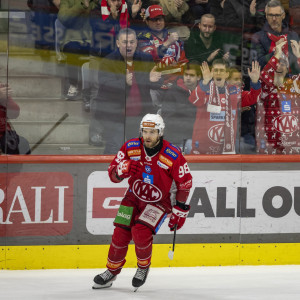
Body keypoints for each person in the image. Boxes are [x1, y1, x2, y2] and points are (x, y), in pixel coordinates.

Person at [92, 113, 193, 290]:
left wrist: (180, 210)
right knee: (120, 233)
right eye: (145, 131)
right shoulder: (130, 147)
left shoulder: (172, 154)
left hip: (159, 202)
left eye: (152, 132)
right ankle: (112, 271)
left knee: (140, 231)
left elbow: (185, 182)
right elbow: (112, 175)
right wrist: (123, 169)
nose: (147, 135)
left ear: (160, 132)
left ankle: (143, 268)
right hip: (133, 196)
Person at [94, 28, 162, 154]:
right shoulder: (108, 61)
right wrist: (124, 82)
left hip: (139, 113)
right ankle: (110, 172)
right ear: (118, 43)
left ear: (136, 43)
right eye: (125, 42)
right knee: (115, 147)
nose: (129, 45)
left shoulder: (146, 58)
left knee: (137, 151)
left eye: (131, 42)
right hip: (115, 114)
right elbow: (105, 84)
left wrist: (152, 80)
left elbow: (157, 82)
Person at [189, 59, 261, 154]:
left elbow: (252, 98)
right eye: (215, 70)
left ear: (226, 74)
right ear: (211, 73)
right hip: (202, 148)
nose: (218, 73)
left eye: (221, 71)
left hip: (224, 148)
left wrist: (255, 83)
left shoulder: (234, 91)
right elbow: (194, 100)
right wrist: (205, 82)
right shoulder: (203, 88)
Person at [137, 5, 188, 110]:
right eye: (154, 20)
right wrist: (167, 43)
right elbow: (150, 58)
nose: (158, 22)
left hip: (174, 87)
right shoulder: (143, 38)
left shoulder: (173, 36)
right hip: (154, 88)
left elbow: (183, 61)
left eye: (160, 19)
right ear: (147, 21)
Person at [256, 39, 300, 154]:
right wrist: (277, 53)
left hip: (292, 142)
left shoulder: (294, 84)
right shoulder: (267, 85)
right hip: (269, 142)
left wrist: (298, 56)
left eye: (283, 64)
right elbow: (264, 74)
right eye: (276, 64)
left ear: (287, 70)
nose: (279, 67)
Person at [251, 0, 299, 74]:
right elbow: (257, 65)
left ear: (283, 16)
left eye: (277, 15)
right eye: (270, 15)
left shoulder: (293, 36)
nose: (274, 19)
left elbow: (296, 66)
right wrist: (275, 53)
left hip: (290, 82)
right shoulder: (258, 37)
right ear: (266, 16)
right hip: (267, 82)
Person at [161, 62, 200, 153]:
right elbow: (168, 119)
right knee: (190, 146)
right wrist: (191, 128)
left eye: (191, 75)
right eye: (186, 75)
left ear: (198, 77)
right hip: (177, 138)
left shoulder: (203, 94)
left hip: (198, 137)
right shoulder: (172, 93)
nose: (188, 78)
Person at [58, 0, 93, 100]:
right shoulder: (67, 1)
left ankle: (95, 87)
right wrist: (81, 4)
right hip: (71, 39)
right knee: (72, 50)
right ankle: (73, 84)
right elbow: (63, 18)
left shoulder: (95, 2)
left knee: (101, 50)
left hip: (91, 39)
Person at [0, 83, 31, 155]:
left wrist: (7, 99)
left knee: (23, 144)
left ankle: (13, 165)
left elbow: (14, 114)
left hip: (5, 135)